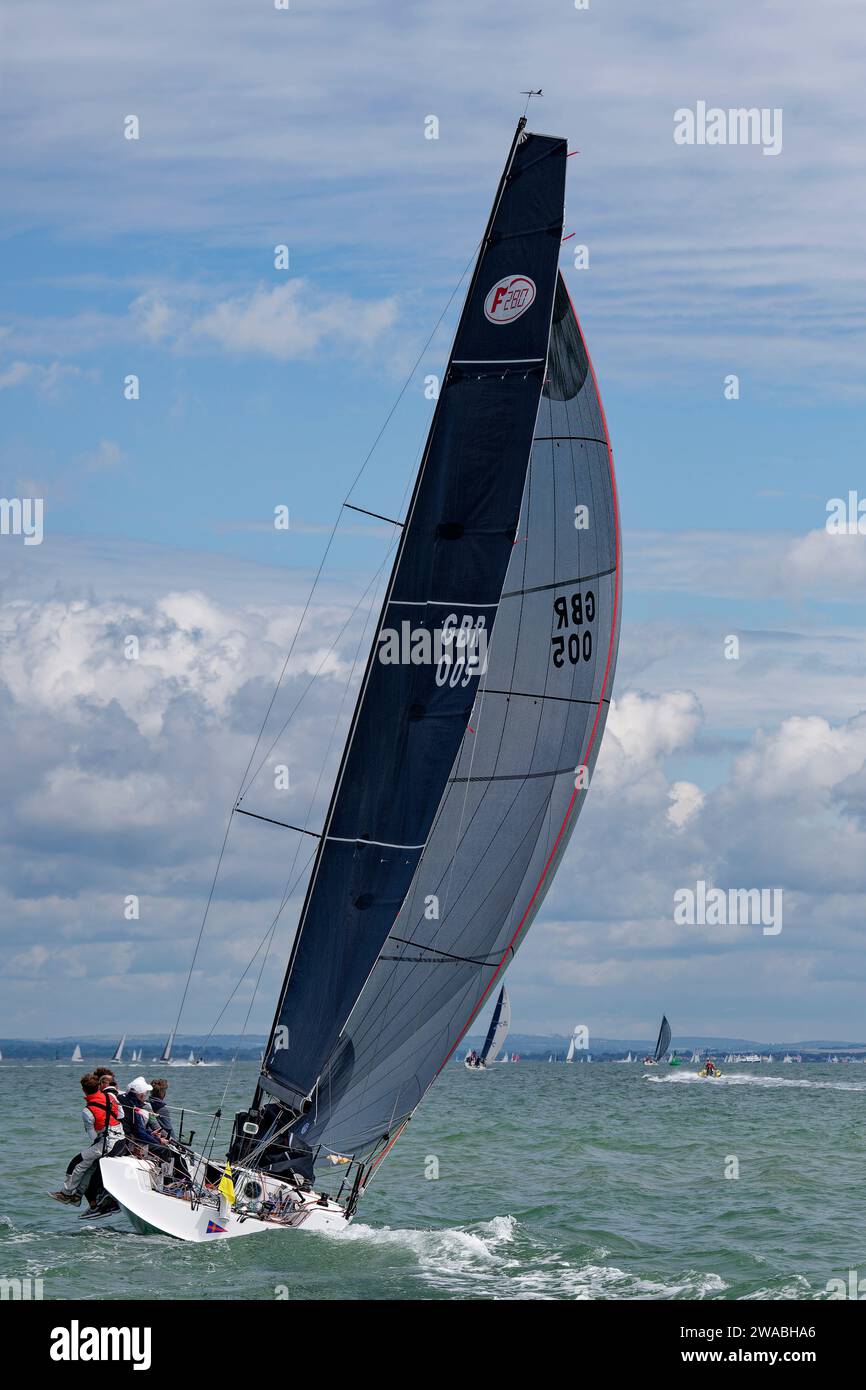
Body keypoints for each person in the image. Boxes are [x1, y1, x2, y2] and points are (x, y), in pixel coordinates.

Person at [49, 1073, 124, 1208]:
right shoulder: (111, 1096)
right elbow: (121, 1115)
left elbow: (93, 1137)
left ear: (83, 1090)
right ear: (98, 1086)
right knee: (89, 1165)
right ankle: (77, 1197)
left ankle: (66, 1194)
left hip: (107, 1143)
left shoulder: (87, 1111)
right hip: (121, 1140)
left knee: (77, 1163)